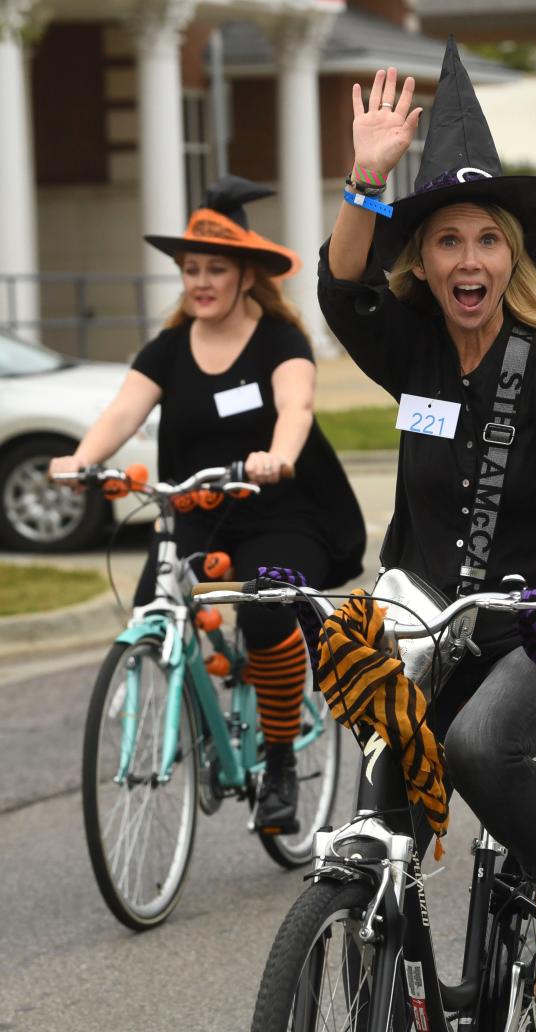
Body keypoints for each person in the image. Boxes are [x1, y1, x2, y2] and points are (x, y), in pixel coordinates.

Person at [317, 41, 536, 1007]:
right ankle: (393, 961)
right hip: (435, 611)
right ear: (424, 259)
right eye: (448, 240)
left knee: (477, 749)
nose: (469, 259)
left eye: (487, 239)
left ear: (513, 257)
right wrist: (366, 182)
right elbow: (340, 292)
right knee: (389, 786)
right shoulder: (412, 348)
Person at [49, 175, 365, 833]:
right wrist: (82, 459)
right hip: (195, 510)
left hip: (282, 507)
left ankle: (279, 762)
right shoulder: (167, 348)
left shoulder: (278, 340)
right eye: (190, 269)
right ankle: (189, 709)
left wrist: (278, 453)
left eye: (214, 268)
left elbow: (296, 406)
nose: (200, 281)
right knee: (153, 609)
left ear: (247, 275)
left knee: (263, 616)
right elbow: (121, 412)